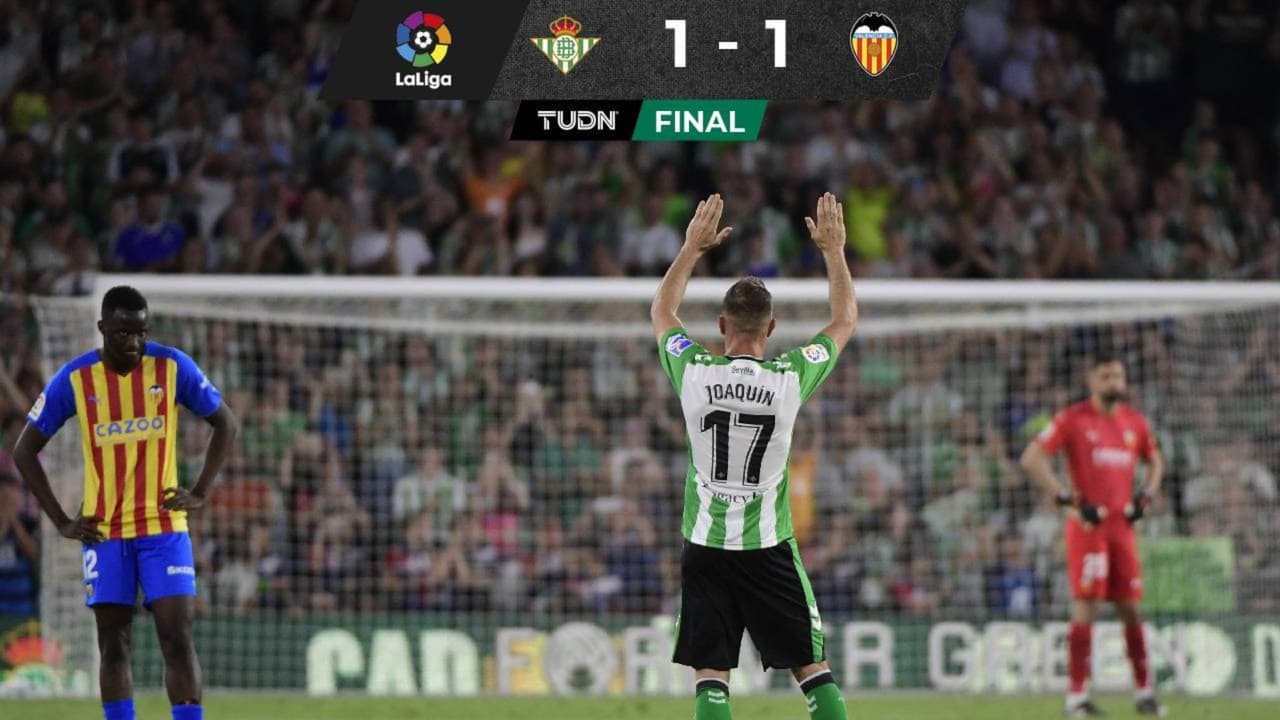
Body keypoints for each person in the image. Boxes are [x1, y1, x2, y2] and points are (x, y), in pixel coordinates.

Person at [650, 193, 857, 720]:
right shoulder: (789, 377)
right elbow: (843, 321)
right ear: (771, 328)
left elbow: (662, 312)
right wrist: (833, 252)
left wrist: (691, 249)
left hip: (705, 545)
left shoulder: (694, 371)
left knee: (711, 676)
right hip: (768, 546)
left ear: (722, 326)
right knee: (812, 669)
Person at [12, 286, 239, 720]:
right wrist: (61, 521)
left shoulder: (172, 367)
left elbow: (225, 423)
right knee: (113, 644)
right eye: (123, 333)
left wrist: (200, 491)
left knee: (177, 637)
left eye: (140, 333)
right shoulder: (76, 379)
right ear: (102, 328)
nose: (134, 342)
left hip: (164, 528)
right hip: (106, 533)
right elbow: (25, 450)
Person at [1020, 356, 1166, 717]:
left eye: (1117, 375)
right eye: (1105, 376)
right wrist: (1068, 500)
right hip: (1089, 529)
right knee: (1087, 606)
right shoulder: (1073, 419)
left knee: (1131, 608)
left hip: (1123, 529)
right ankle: (1076, 697)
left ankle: (1144, 693)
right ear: (1092, 381)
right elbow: (1032, 458)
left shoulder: (1135, 422)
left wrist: (1146, 497)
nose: (1113, 381)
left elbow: (1155, 460)